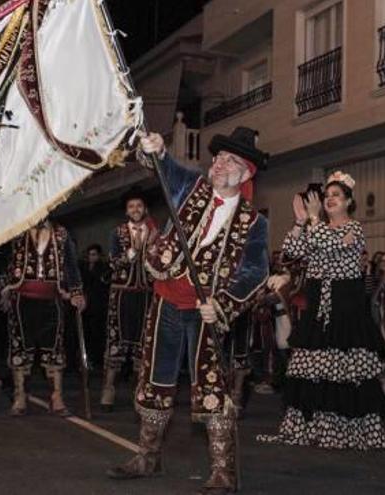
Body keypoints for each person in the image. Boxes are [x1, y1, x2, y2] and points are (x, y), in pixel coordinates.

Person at [107, 128, 269, 495]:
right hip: (166, 299)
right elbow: (165, 168)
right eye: (218, 157)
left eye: (228, 160)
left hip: (205, 311)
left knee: (212, 384)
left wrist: (224, 304)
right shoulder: (191, 188)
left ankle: (223, 472)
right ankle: (148, 457)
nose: (218, 163)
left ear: (245, 173)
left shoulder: (253, 223)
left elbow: (255, 272)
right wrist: (158, 150)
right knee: (156, 379)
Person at [258, 171, 385, 450]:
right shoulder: (316, 228)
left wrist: (314, 218)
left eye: (336, 196)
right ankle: (314, 427)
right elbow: (291, 251)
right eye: (326, 196)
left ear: (349, 201)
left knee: (344, 370)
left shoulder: (353, 228)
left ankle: (344, 431)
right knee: (312, 368)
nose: (329, 200)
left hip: (345, 304)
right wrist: (299, 221)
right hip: (318, 303)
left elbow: (329, 246)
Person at [0, 219, 85, 417]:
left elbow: (72, 265)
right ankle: (20, 395)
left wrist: (76, 292)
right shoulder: (15, 229)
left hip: (52, 300)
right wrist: (1, 287)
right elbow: (3, 260)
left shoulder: (62, 233)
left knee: (54, 348)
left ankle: (56, 397)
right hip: (21, 300)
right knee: (20, 347)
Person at [100, 188, 157, 412]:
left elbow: (162, 264)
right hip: (121, 293)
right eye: (132, 206)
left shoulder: (155, 232)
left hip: (145, 293)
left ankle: (139, 391)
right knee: (116, 340)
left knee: (143, 343)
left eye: (139, 206)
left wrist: (153, 256)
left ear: (145, 209)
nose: (136, 209)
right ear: (126, 211)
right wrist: (130, 254)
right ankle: (108, 388)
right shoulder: (118, 232)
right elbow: (113, 262)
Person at [79, 244, 110, 370]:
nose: (91, 257)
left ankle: (96, 360)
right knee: (85, 333)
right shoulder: (82, 267)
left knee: (97, 334)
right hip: (85, 306)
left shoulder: (103, 268)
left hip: (98, 305)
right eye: (89, 254)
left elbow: (103, 284)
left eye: (94, 254)